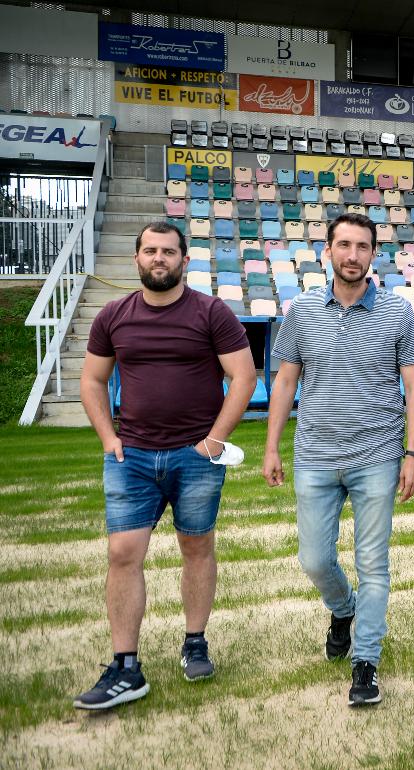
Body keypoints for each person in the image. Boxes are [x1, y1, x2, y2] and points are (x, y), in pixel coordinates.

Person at [75, 221, 256, 710]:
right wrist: (109, 437)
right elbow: (92, 381)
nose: (160, 259)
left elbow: (243, 376)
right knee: (122, 554)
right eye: (151, 251)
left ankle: (195, 641)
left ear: (184, 260)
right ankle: (125, 666)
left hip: (194, 456)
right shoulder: (113, 315)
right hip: (130, 455)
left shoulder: (211, 312)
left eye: (169, 252)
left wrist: (215, 440)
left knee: (196, 547)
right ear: (137, 258)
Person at [263, 213, 414, 707]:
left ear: (373, 255)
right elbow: (286, 381)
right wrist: (271, 445)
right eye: (343, 245)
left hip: (377, 455)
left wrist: (413, 452)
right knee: (314, 559)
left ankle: (365, 663)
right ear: (328, 252)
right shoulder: (301, 311)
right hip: (314, 455)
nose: (352, 254)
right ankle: (342, 609)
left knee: (373, 563)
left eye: (362, 246)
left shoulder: (398, 313)